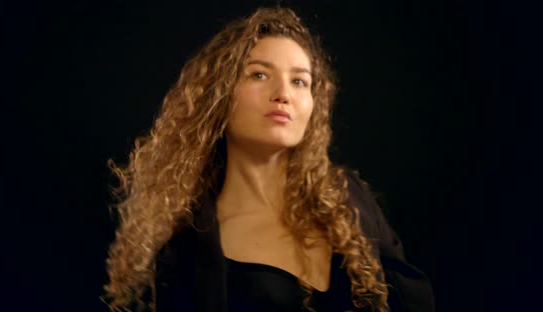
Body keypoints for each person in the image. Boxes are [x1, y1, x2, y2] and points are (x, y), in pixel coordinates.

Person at [103, 7, 434, 312]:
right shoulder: (187, 245)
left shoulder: (350, 200)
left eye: (299, 81)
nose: (283, 94)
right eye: (259, 75)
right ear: (218, 96)